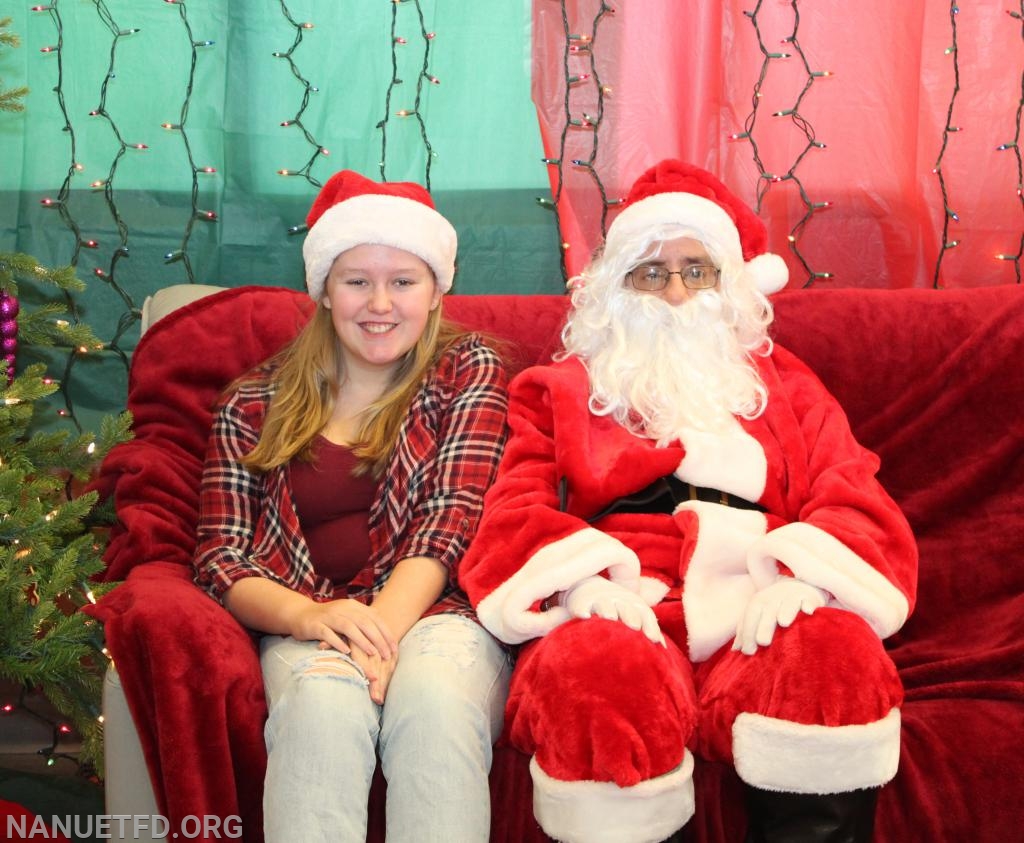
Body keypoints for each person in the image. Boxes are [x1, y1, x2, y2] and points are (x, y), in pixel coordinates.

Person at [459, 159, 918, 843]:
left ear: (727, 284)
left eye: (695, 269)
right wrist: (579, 583)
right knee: (593, 675)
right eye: (651, 271)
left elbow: (852, 491)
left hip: (760, 602)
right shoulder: (557, 387)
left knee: (834, 659)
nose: (674, 291)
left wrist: (807, 581)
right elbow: (513, 507)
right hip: (628, 601)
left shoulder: (787, 386)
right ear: (616, 288)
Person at [192, 170, 513, 843]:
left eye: (403, 281)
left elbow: (450, 520)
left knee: (434, 703)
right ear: (324, 291)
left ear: (434, 293)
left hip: (437, 615)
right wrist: (310, 616)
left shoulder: (467, 369)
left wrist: (380, 635)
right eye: (356, 280)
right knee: (322, 708)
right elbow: (220, 555)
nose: (380, 303)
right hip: (308, 615)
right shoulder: (251, 402)